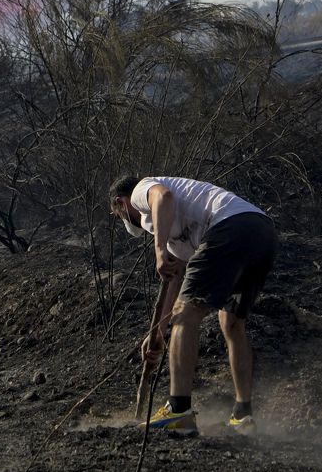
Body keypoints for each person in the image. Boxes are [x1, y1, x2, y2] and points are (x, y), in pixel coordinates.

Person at [109, 175, 277, 435]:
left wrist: (159, 250)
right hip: (261, 232)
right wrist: (157, 333)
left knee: (186, 316)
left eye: (119, 213)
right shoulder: (176, 228)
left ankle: (178, 410)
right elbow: (176, 279)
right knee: (231, 322)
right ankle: (243, 415)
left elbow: (162, 197)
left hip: (228, 227)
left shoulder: (142, 189)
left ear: (121, 202)